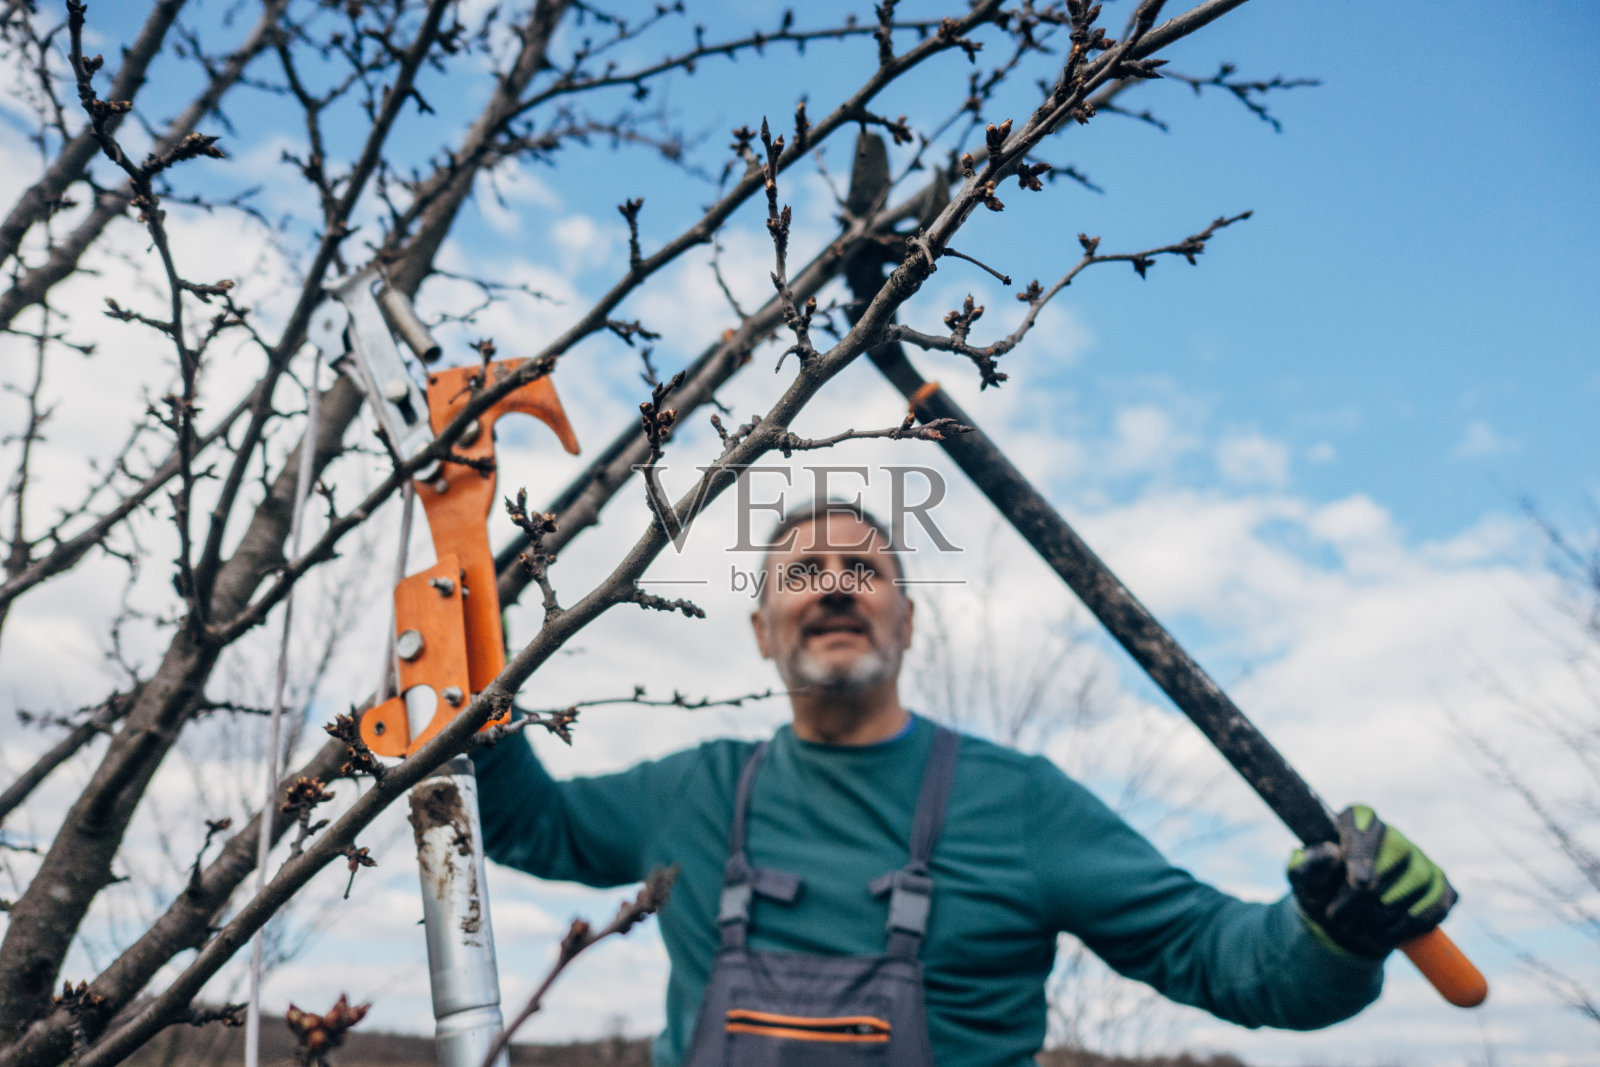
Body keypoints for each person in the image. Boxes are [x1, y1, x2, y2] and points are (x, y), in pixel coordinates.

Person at [472, 501, 1456, 1066]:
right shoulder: (692, 790)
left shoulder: (1017, 800)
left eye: (864, 568)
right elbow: (524, 823)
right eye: (800, 570)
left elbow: (1227, 960)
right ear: (762, 630)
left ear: (908, 623)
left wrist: (1330, 927)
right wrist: (474, 675)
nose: (833, 583)